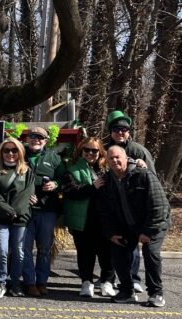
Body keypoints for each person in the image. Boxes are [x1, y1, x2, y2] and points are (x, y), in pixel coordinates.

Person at [97, 146, 170, 307]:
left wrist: (148, 232)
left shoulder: (143, 174)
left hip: (153, 223)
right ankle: (127, 291)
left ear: (126, 158)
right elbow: (104, 211)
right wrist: (111, 233)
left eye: (118, 157)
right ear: (106, 161)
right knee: (118, 251)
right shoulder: (107, 180)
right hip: (127, 225)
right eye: (111, 158)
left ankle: (156, 293)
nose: (115, 161)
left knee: (150, 252)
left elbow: (159, 205)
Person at [103, 110, 153, 293]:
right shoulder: (104, 150)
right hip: (115, 207)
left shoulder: (138, 151)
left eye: (124, 129)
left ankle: (134, 278)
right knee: (116, 244)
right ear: (110, 131)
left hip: (135, 208)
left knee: (133, 248)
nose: (120, 132)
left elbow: (152, 180)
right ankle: (114, 278)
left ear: (129, 131)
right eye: (116, 129)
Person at [61, 138, 116, 298]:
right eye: (87, 150)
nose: (90, 153)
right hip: (83, 220)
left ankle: (107, 282)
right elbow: (70, 191)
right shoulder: (71, 170)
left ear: (100, 152)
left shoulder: (108, 170)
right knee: (85, 253)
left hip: (105, 220)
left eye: (94, 150)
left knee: (107, 254)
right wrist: (92, 187)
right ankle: (86, 282)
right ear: (80, 151)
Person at [0, 138, 35, 298]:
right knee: (3, 251)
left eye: (14, 150)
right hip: (0, 218)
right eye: (6, 150)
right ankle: (1, 283)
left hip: (20, 219)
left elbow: (27, 195)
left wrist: (16, 212)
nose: (10, 154)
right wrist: (8, 211)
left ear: (20, 152)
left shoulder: (27, 171)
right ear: (1, 153)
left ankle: (15, 284)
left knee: (19, 252)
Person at [21, 127, 63, 297]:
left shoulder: (54, 158)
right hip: (25, 209)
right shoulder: (18, 154)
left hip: (47, 209)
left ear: (46, 141)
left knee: (44, 248)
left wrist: (55, 184)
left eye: (40, 137)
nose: (35, 140)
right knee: (25, 248)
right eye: (32, 136)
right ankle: (30, 282)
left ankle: (42, 281)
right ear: (27, 139)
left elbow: (64, 178)